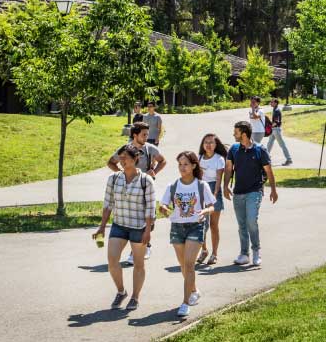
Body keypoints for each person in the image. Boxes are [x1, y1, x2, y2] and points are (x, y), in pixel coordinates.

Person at [94, 144, 155, 311]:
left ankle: (135, 297)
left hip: (138, 227)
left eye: (125, 158)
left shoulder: (145, 181)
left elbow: (150, 208)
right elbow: (108, 204)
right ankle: (121, 291)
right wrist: (102, 227)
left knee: (138, 264)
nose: (121, 162)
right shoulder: (113, 179)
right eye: (120, 158)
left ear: (136, 159)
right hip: (119, 225)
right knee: (112, 260)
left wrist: (148, 231)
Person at [158, 151, 217, 318]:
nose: (182, 168)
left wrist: (205, 210)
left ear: (193, 166)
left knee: (189, 264)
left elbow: (212, 205)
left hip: (195, 227)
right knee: (183, 266)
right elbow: (163, 205)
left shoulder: (201, 185)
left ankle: (185, 303)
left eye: (185, 164)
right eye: (180, 164)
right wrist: (163, 209)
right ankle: (194, 290)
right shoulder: (173, 186)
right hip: (177, 226)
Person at [107, 122, 168, 264]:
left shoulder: (150, 149)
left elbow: (163, 161)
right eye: (144, 134)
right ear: (135, 135)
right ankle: (139, 248)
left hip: (145, 188)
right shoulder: (125, 150)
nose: (147, 137)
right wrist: (122, 174)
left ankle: (141, 248)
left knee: (147, 218)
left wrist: (154, 172)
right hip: (129, 191)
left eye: (147, 134)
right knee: (131, 219)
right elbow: (111, 162)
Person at [224, 121, 279, 267]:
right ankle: (244, 254)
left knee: (251, 221)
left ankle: (256, 251)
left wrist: (273, 189)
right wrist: (225, 186)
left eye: (236, 132)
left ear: (243, 133)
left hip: (254, 191)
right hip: (238, 192)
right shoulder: (234, 149)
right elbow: (228, 169)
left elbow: (268, 171)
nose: (233, 134)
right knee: (241, 224)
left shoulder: (260, 149)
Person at [197, 133, 229, 265]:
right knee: (201, 224)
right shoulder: (199, 158)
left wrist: (214, 195)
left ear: (216, 145)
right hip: (201, 190)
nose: (208, 145)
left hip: (213, 190)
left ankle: (214, 254)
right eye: (206, 142)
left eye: (211, 142)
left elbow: (218, 180)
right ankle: (204, 250)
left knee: (213, 225)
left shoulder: (219, 159)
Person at [264, 98, 293, 166]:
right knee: (269, 144)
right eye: (270, 102)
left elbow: (276, 122)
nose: (270, 103)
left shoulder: (277, 111)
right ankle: (266, 158)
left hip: (276, 130)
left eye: (272, 102)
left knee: (282, 145)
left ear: (276, 103)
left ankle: (289, 159)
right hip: (274, 130)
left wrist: (270, 126)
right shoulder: (275, 110)